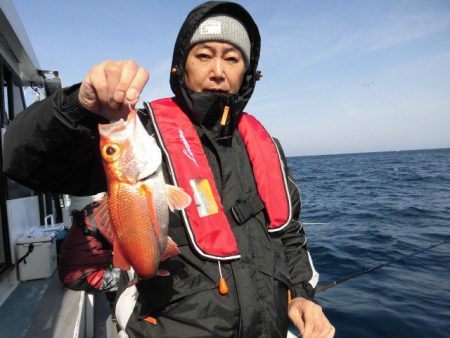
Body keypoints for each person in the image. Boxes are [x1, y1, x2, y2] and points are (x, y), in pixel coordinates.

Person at [3, 1, 334, 337]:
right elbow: (23, 160)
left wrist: (301, 296)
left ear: (247, 73)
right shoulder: (143, 134)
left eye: (232, 59)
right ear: (181, 67)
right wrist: (77, 107)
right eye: (203, 55)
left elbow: (289, 235)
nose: (218, 70)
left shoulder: (266, 146)